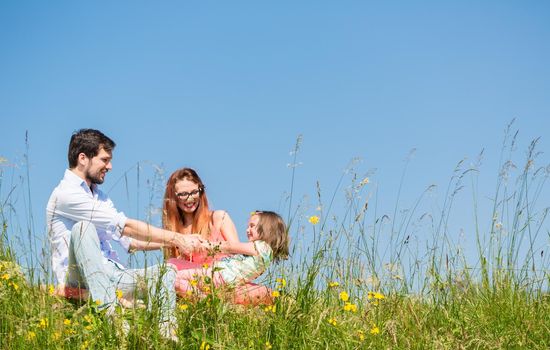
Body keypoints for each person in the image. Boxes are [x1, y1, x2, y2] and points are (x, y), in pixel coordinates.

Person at [46, 129, 198, 340]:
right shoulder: (65, 194)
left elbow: (130, 241)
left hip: (112, 274)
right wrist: (176, 238)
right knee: (83, 229)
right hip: (78, 277)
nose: (110, 166)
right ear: (83, 158)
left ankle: (167, 338)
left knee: (166, 271)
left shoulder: (100, 196)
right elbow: (123, 226)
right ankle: (115, 324)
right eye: (104, 159)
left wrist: (176, 242)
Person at [162, 168, 276, 304]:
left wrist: (205, 246)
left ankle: (213, 302)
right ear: (173, 197)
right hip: (195, 284)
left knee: (262, 294)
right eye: (183, 194)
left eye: (194, 192)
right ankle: (208, 302)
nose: (190, 198)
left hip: (225, 282)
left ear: (201, 190)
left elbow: (236, 254)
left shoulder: (219, 218)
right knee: (169, 267)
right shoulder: (175, 231)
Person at [168, 211, 289, 296]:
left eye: (252, 226)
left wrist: (204, 245)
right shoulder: (262, 250)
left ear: (267, 229)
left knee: (173, 277)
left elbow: (230, 246)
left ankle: (201, 299)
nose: (247, 230)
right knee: (172, 264)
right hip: (217, 274)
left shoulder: (263, 248)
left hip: (221, 277)